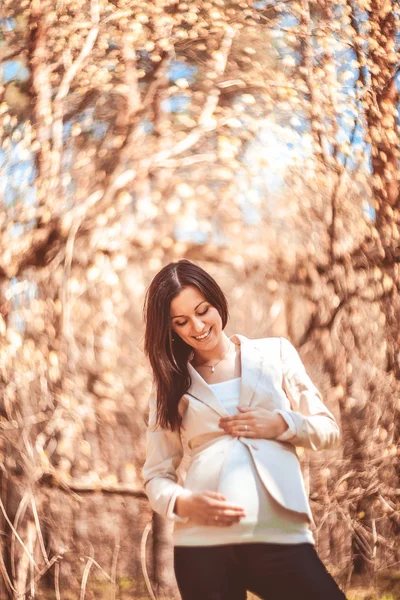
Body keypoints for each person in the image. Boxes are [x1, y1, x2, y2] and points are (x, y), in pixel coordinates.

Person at [142, 258, 347, 600]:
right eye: (181, 322)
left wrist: (282, 423)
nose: (197, 326)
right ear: (172, 330)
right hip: (201, 544)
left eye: (203, 310)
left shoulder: (274, 352)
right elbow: (155, 476)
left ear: (216, 300)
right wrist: (183, 502)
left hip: (279, 533)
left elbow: (328, 431)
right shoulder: (169, 385)